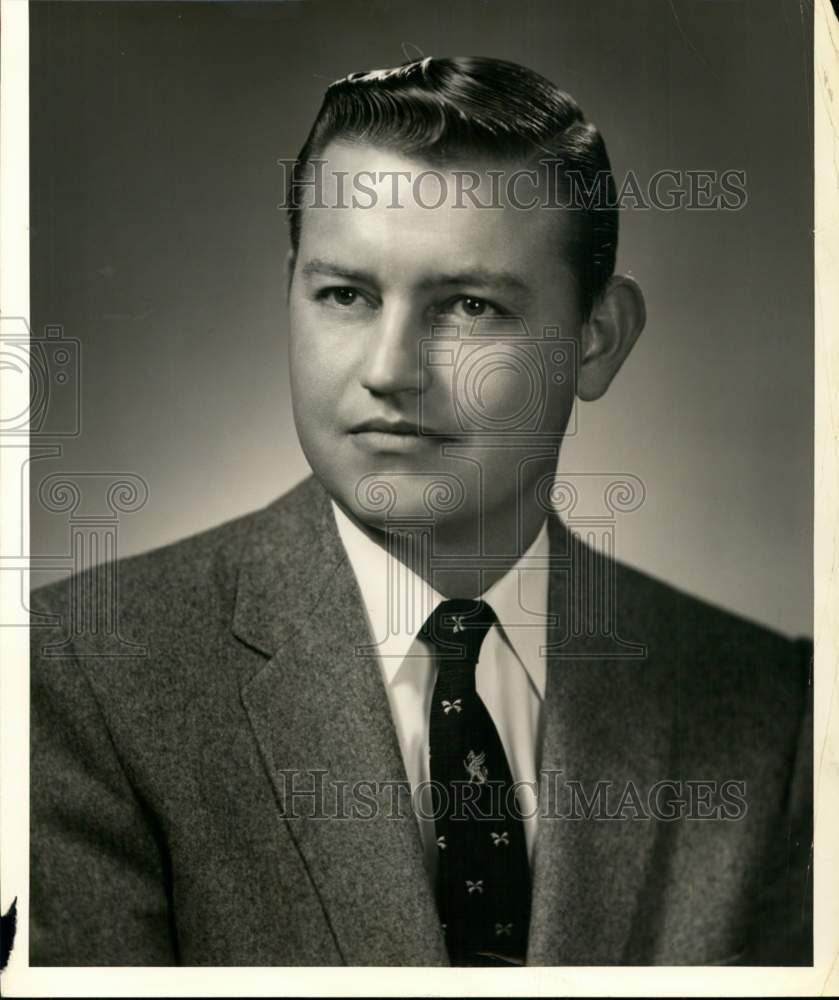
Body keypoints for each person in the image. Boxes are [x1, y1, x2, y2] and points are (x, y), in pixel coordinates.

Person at [29, 56, 812, 967]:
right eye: (346, 295)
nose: (390, 369)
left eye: (470, 306)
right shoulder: (82, 677)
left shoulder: (771, 712)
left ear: (596, 342)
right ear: (290, 290)